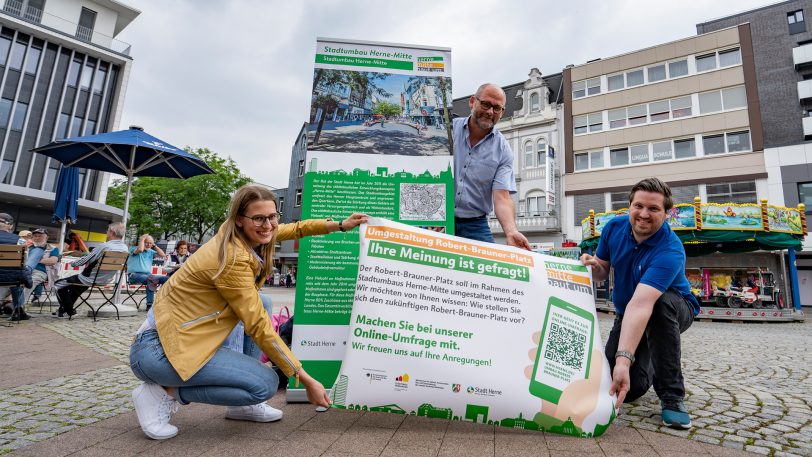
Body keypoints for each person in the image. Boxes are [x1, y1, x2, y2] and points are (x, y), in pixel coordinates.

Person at [129, 184, 332, 441]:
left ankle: (241, 406)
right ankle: (163, 393)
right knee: (266, 384)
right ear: (239, 219)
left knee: (265, 301)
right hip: (158, 352)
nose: (268, 225)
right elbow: (260, 328)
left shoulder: (239, 234)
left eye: (272, 216)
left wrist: (339, 225)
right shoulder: (233, 258)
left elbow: (296, 228)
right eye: (259, 218)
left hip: (182, 339)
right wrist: (303, 377)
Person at [580, 177, 700, 430]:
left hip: (673, 308)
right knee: (623, 387)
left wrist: (624, 360)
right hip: (628, 313)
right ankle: (650, 359)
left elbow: (643, 304)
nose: (644, 214)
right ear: (630, 206)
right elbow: (602, 271)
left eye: (654, 209)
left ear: (667, 213)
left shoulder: (671, 249)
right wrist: (593, 266)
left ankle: (672, 398)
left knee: (659, 306)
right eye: (638, 206)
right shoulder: (614, 228)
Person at [453, 83, 531, 250]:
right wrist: (428, 216)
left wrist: (511, 232)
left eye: (496, 108)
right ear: (472, 101)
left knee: (490, 270)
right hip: (435, 217)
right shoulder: (448, 130)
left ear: (502, 112)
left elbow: (501, 197)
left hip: (474, 224)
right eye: (486, 104)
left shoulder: (503, 150)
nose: (490, 112)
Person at [53, 222, 128, 318]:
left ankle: (70, 311)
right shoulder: (125, 248)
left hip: (89, 279)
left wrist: (72, 263)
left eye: (108, 230)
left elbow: (86, 260)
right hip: (106, 280)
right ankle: (63, 310)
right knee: (74, 288)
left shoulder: (105, 246)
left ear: (112, 232)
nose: (106, 232)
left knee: (58, 284)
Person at [0, 213, 32, 321]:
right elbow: (23, 262)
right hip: (12, 278)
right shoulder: (20, 240)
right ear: (10, 226)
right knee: (17, 278)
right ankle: (18, 311)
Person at [127, 234, 168, 310]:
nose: (148, 245)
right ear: (141, 242)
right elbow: (140, 250)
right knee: (151, 279)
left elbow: (163, 255)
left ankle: (163, 302)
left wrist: (154, 245)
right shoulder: (133, 249)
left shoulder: (151, 251)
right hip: (134, 275)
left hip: (148, 276)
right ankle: (149, 305)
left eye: (150, 243)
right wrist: (142, 239)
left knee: (167, 279)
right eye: (146, 242)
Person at [23, 228, 60, 306]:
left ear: (46, 237)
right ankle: (5, 302)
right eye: (35, 236)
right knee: (10, 280)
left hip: (41, 272)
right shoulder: (28, 247)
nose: (37, 238)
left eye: (40, 236)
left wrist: (33, 259)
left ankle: (18, 307)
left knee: (29, 283)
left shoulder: (52, 248)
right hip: (25, 270)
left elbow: (53, 261)